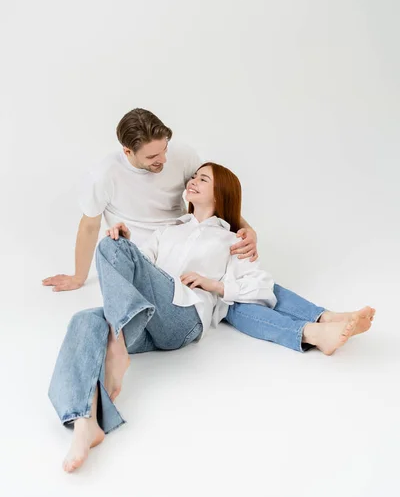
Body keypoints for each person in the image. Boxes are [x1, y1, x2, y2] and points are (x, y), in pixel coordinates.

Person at [49, 162, 374, 473]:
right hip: (143, 318)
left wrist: (214, 284)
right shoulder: (167, 230)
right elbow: (137, 266)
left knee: (112, 248)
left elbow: (260, 286)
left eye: (203, 179)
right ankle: (84, 422)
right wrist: (126, 241)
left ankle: (116, 347)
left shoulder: (231, 239)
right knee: (87, 314)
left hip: (183, 317)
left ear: (222, 194)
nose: (192, 181)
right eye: (194, 177)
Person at [42, 108, 258, 293]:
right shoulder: (104, 175)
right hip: (144, 257)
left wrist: (246, 229)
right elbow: (89, 226)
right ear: (128, 151)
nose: (163, 160)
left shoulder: (183, 155)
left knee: (246, 287)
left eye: (164, 150)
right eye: (152, 157)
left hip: (185, 242)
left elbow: (212, 194)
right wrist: (78, 277)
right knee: (226, 294)